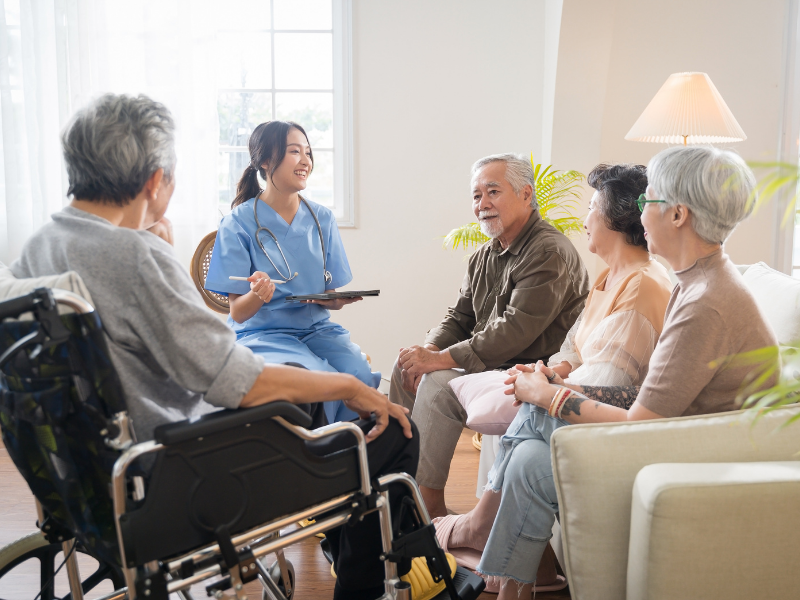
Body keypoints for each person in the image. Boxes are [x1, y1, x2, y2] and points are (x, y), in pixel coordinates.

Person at [10, 93, 416, 600]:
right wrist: (350, 385)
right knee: (395, 429)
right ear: (155, 180)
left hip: (87, 480)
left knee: (343, 412)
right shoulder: (136, 257)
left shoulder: (35, 250)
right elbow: (236, 380)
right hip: (184, 473)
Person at [433, 146, 779, 600]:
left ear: (677, 215)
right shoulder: (697, 281)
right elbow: (647, 398)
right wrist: (551, 387)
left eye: (645, 202)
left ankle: (482, 537)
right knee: (530, 459)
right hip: (683, 434)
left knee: (536, 420)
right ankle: (509, 586)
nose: (638, 216)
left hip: (694, 454)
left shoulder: (705, 303)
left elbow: (643, 425)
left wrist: (548, 396)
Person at [439, 162, 673, 592]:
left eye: (591, 208)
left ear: (616, 218)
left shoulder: (643, 285)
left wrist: (545, 389)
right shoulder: (611, 276)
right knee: (527, 455)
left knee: (529, 406)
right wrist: (553, 370)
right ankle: (519, 584)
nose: (584, 219)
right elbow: (575, 346)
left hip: (612, 430)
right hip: (588, 405)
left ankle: (477, 525)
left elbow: (613, 385)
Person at [389, 153, 590, 518]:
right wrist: (429, 348)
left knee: (437, 382)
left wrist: (437, 361)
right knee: (405, 366)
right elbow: (459, 317)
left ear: (526, 194)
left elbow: (513, 332)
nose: (482, 204)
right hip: (491, 363)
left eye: (492, 192)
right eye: (476, 195)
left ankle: (427, 507)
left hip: (527, 372)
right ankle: (399, 486)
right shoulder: (484, 254)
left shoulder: (549, 251)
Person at [204, 121, 376, 424]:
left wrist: (337, 300)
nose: (305, 161)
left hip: (317, 330)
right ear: (266, 161)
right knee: (316, 379)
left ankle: (352, 456)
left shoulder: (321, 218)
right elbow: (239, 313)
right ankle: (318, 457)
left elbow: (331, 297)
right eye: (294, 151)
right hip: (263, 334)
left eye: (307, 152)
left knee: (359, 374)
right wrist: (258, 295)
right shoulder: (237, 223)